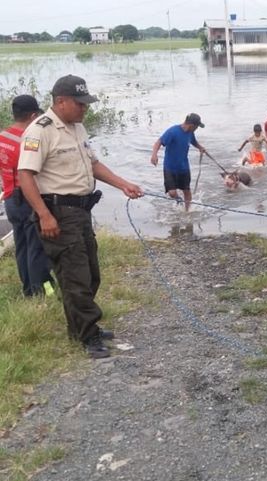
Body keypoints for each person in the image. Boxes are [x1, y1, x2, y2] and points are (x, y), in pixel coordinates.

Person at [17, 74, 144, 359]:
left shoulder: (77, 127)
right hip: (58, 212)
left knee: (90, 274)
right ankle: (87, 336)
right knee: (75, 277)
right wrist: (44, 215)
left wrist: (122, 183)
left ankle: (81, 327)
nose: (85, 108)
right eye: (80, 103)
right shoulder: (41, 130)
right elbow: (25, 175)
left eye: (86, 103)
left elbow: (93, 163)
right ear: (61, 101)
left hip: (81, 211)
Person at [1, 95, 54, 297]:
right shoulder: (26, 140)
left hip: (9, 198)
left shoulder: (3, 138)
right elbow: (33, 172)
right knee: (36, 247)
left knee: (21, 246)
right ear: (33, 115)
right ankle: (40, 290)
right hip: (26, 197)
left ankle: (28, 290)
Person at [150, 113, 207, 211]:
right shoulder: (173, 132)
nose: (197, 129)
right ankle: (178, 200)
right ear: (192, 125)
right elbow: (158, 142)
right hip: (170, 167)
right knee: (172, 193)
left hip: (184, 167)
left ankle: (187, 211)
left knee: (186, 190)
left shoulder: (190, 132)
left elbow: (193, 141)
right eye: (197, 127)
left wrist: (200, 147)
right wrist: (154, 155)